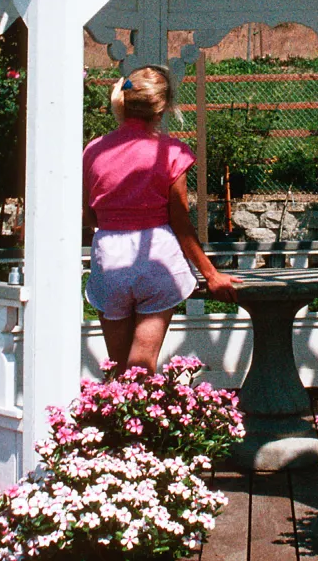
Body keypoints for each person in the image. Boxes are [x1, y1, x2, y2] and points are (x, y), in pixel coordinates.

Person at [82, 66, 236, 374]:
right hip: (156, 257)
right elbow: (180, 220)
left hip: (110, 256)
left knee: (118, 369)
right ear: (163, 107)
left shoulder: (94, 149)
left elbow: (88, 213)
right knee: (141, 368)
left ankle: (109, 421)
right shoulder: (171, 151)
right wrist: (210, 274)